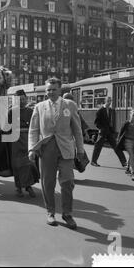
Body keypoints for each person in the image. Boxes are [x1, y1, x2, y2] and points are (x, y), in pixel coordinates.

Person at [29, 78, 85, 230]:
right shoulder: (39, 107)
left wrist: (80, 149)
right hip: (46, 149)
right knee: (48, 182)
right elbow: (33, 130)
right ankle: (50, 212)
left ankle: (67, 214)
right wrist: (32, 149)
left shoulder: (70, 105)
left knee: (67, 182)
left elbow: (77, 130)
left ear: (60, 90)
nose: (51, 92)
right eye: (48, 90)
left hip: (66, 148)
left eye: (53, 89)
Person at [9, 90, 38, 198]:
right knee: (17, 165)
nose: (22, 101)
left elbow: (35, 127)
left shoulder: (31, 111)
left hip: (28, 140)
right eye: (19, 99)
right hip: (15, 141)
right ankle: (18, 187)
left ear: (26, 99)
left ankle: (28, 186)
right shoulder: (11, 111)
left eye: (23, 99)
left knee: (28, 164)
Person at [91, 97, 127, 168]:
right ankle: (93, 161)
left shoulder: (111, 110)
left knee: (116, 146)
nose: (109, 102)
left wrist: (112, 130)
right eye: (108, 101)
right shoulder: (100, 110)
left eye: (110, 101)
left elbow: (111, 121)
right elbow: (96, 123)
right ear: (105, 101)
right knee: (98, 146)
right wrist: (101, 128)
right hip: (103, 131)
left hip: (109, 132)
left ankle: (124, 162)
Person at [116, 109, 134, 182]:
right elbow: (121, 133)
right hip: (127, 141)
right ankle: (133, 173)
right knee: (131, 155)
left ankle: (128, 168)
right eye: (133, 115)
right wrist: (118, 140)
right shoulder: (126, 123)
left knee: (132, 155)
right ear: (130, 115)